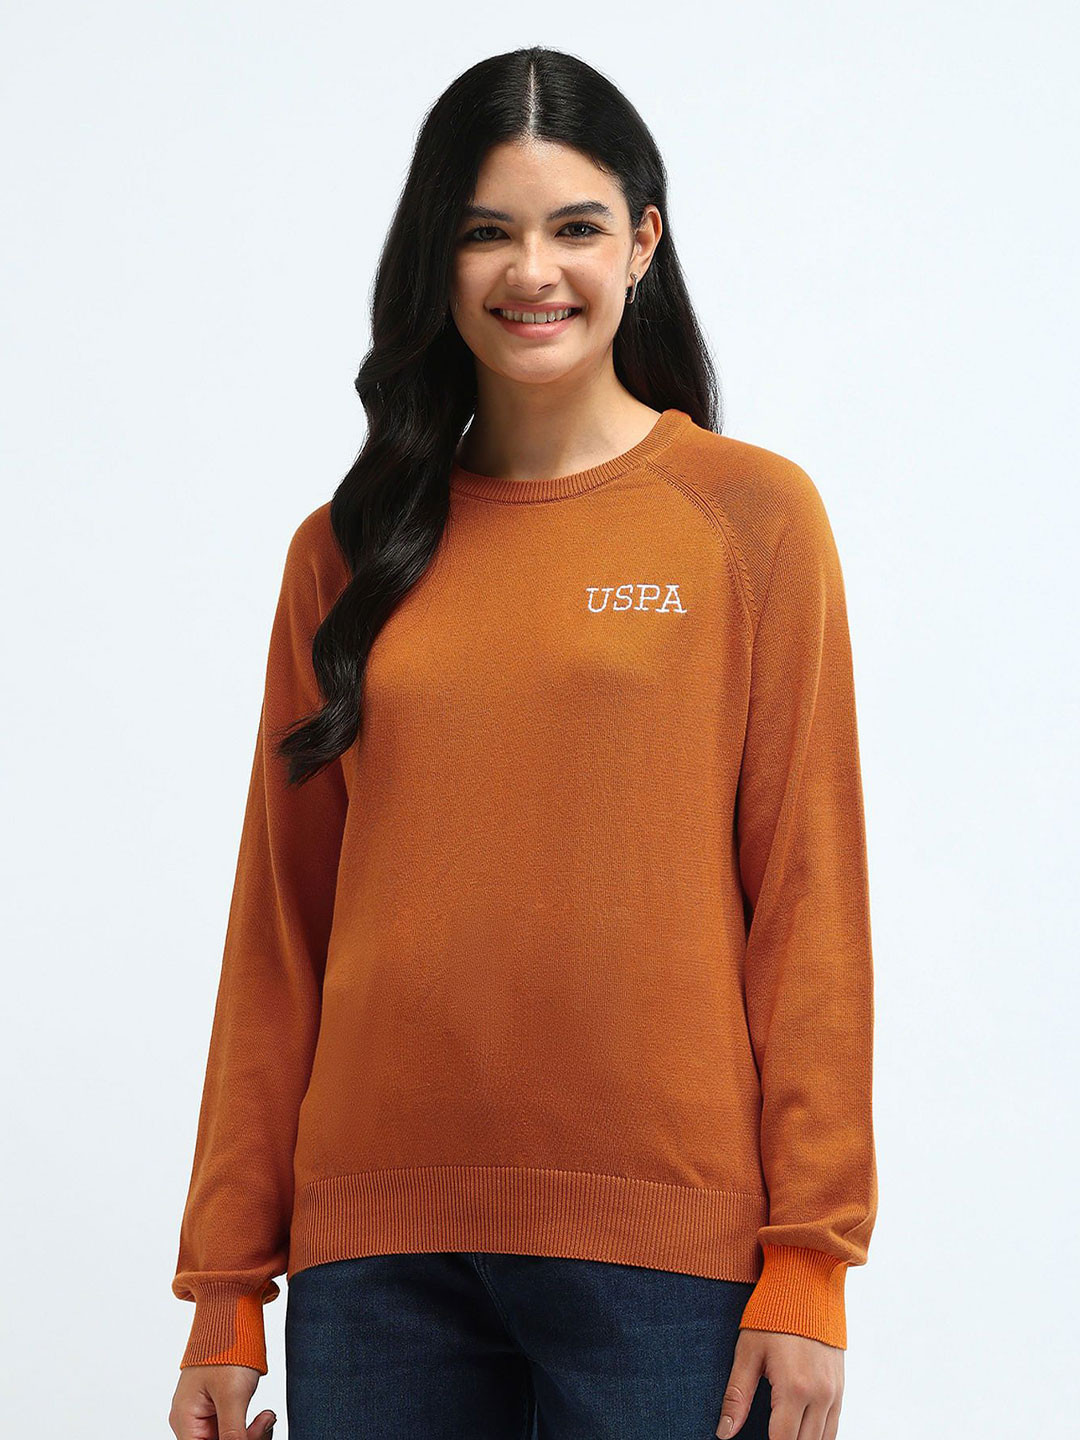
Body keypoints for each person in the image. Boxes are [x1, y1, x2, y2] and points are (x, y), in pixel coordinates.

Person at [168, 45, 877, 1440]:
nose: (531, 271)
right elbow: (280, 927)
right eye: (486, 230)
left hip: (667, 1252)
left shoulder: (749, 522)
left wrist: (811, 1258)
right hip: (377, 1254)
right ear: (435, 256)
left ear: (643, 243)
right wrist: (227, 1284)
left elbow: (809, 899)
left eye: (576, 228)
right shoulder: (345, 553)